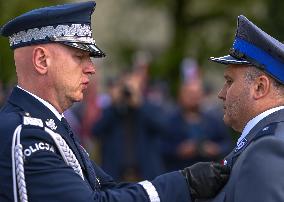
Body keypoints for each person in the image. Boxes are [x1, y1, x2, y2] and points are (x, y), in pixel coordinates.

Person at [0, 1, 229, 202]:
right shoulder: (25, 133)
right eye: (79, 57)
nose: (90, 69)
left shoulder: (49, 124)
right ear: (42, 60)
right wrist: (183, 184)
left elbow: (106, 188)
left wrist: (182, 181)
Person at [205, 15, 284, 201]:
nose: (221, 93)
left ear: (260, 87)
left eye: (229, 81)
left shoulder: (267, 148)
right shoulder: (265, 140)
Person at [162, 79, 232, 171]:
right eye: (190, 93)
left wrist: (216, 149)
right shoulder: (170, 121)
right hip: (179, 172)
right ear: (181, 95)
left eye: (197, 94)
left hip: (209, 173)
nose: (194, 97)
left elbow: (227, 144)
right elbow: (161, 147)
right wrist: (179, 151)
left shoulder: (213, 120)